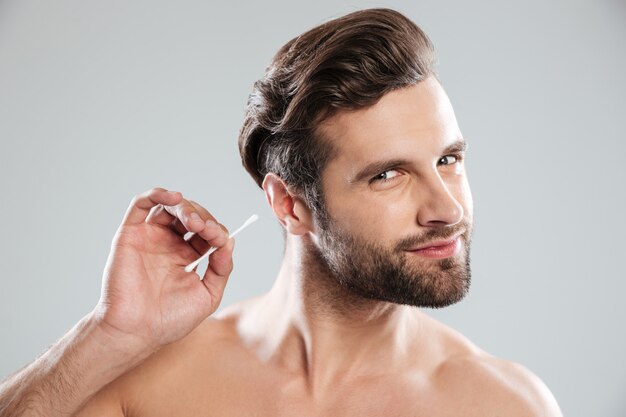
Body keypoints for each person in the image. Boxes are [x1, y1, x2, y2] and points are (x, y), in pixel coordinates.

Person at [0, 8, 563, 417]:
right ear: (290, 206)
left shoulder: (502, 406)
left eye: (448, 159)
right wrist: (110, 334)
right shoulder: (150, 378)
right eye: (387, 174)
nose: (446, 208)